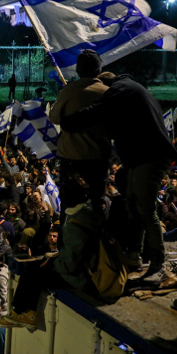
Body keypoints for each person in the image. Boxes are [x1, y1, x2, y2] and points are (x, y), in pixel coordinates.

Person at [61, 72, 177, 282]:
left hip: (150, 157)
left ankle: (158, 264)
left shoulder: (120, 89)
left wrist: (70, 122)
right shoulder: (130, 90)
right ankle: (134, 256)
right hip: (143, 157)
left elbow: (95, 111)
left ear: (107, 87)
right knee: (133, 206)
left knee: (145, 208)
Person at [49, 49, 111, 226]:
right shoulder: (108, 92)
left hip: (72, 160)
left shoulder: (69, 92)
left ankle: (67, 247)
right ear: (99, 69)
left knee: (69, 207)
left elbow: (54, 118)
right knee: (97, 204)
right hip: (99, 160)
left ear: (78, 70)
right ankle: (98, 247)